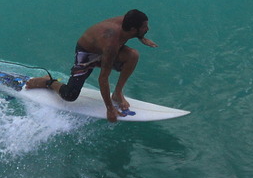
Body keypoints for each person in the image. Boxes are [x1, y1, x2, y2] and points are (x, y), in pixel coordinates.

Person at [26, 10, 158, 122]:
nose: (148, 29)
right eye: (144, 28)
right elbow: (103, 79)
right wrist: (109, 108)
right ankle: (47, 82)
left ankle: (117, 93)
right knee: (70, 95)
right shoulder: (111, 44)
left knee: (133, 55)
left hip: (105, 48)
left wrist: (142, 37)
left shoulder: (128, 22)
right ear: (133, 29)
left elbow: (131, 32)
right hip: (86, 53)